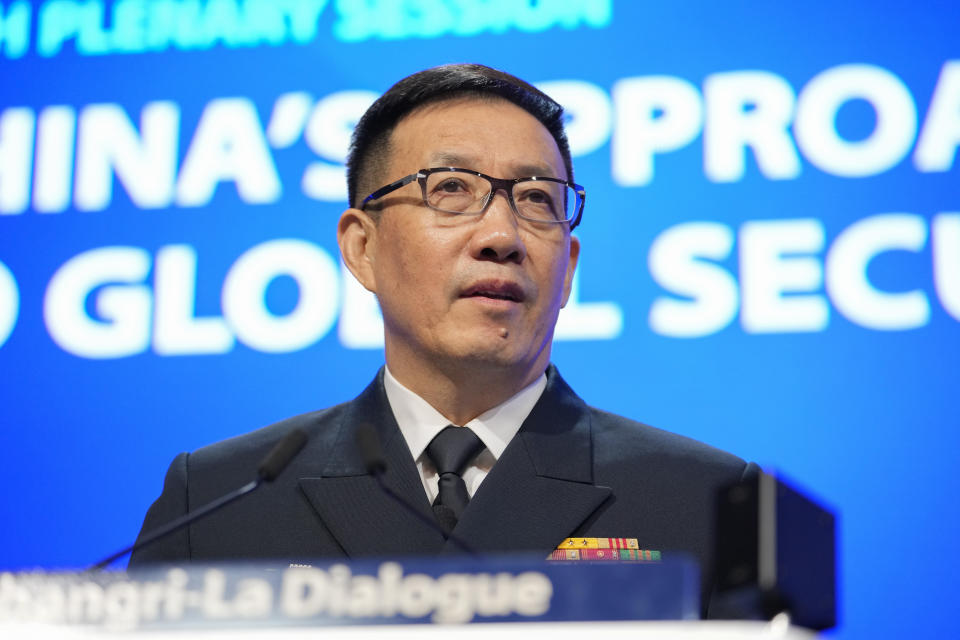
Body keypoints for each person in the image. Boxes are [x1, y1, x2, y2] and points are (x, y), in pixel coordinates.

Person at [129, 64, 754, 614]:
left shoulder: (708, 501)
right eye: (451, 189)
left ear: (569, 269)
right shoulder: (218, 502)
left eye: (538, 199)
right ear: (362, 247)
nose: (502, 236)